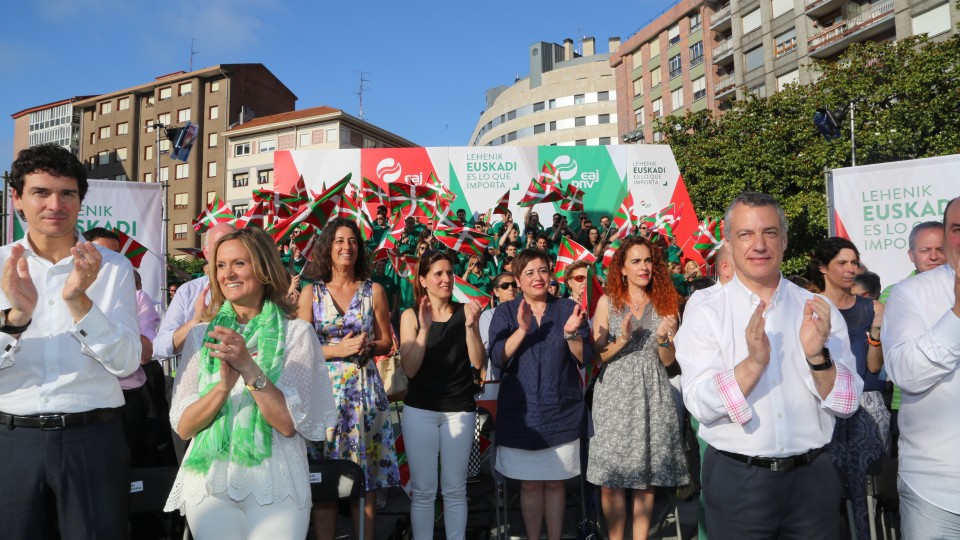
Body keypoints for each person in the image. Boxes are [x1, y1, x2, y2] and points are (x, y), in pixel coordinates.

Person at [675, 192, 862, 539]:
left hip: (813, 480)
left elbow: (847, 404)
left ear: (785, 240)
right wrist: (754, 363)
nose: (759, 244)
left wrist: (817, 357)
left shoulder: (816, 307)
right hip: (738, 481)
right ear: (729, 242)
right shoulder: (706, 307)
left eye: (770, 233)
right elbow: (700, 403)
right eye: (746, 234)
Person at [0, 144, 141, 539]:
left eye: (67, 193)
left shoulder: (112, 268)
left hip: (92, 440)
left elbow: (128, 363)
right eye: (40, 192)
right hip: (10, 441)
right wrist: (16, 320)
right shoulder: (0, 266)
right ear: (17, 199)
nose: (54, 204)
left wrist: (80, 302)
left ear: (81, 200)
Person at [163, 227, 336, 539]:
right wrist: (221, 388)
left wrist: (246, 365)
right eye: (221, 265)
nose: (228, 273)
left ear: (264, 269)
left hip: (276, 481)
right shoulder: (201, 337)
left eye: (239, 263)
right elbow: (184, 427)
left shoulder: (297, 334)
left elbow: (286, 424)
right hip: (210, 481)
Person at [297, 217, 399, 540]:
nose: (347, 247)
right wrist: (338, 349)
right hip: (323, 395)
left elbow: (388, 341)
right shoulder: (310, 293)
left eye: (353, 241)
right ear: (328, 247)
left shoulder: (374, 291)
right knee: (326, 482)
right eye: (340, 241)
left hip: (364, 395)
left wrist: (371, 345)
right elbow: (300, 346)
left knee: (363, 480)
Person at [587, 237, 689, 540]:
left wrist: (662, 339)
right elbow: (596, 356)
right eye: (636, 261)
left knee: (646, 479)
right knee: (611, 481)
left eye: (648, 261)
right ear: (621, 269)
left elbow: (670, 363)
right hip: (614, 395)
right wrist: (623, 340)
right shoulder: (607, 302)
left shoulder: (666, 303)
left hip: (652, 393)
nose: (644, 267)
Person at [489, 248, 591, 540]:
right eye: (529, 272)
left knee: (556, 484)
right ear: (518, 281)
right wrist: (521, 330)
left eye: (543, 270)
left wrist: (571, 333)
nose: (538, 277)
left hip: (561, 412)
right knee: (531, 485)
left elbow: (583, 357)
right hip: (521, 415)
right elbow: (498, 357)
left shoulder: (566, 309)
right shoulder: (506, 311)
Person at [882, 197, 960, 538]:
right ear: (945, 236)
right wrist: (957, 316)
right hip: (937, 492)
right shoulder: (910, 294)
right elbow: (906, 374)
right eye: (958, 229)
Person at [398, 250, 485, 540]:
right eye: (438, 273)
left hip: (459, 409)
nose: (446, 278)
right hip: (420, 410)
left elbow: (478, 362)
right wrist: (424, 330)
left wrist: (472, 328)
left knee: (455, 489)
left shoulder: (466, 312)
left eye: (449, 272)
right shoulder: (410, 316)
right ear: (423, 280)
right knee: (423, 490)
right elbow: (409, 369)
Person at [808, 237, 887, 540]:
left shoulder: (873, 308)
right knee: (825, 490)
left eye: (854, 262)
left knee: (867, 491)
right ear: (823, 267)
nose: (850, 269)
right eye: (842, 262)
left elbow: (875, 367)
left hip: (867, 404)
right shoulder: (811, 308)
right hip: (825, 404)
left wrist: (876, 336)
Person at [877, 220, 945, 457]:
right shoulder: (895, 292)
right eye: (925, 250)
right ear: (911, 255)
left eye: (941, 249)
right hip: (908, 401)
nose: (934, 256)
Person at [154, 222, 236, 360]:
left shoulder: (254, 288)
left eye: (232, 245)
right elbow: (159, 348)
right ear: (206, 253)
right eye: (220, 245)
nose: (227, 251)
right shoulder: (188, 292)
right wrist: (195, 323)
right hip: (197, 378)